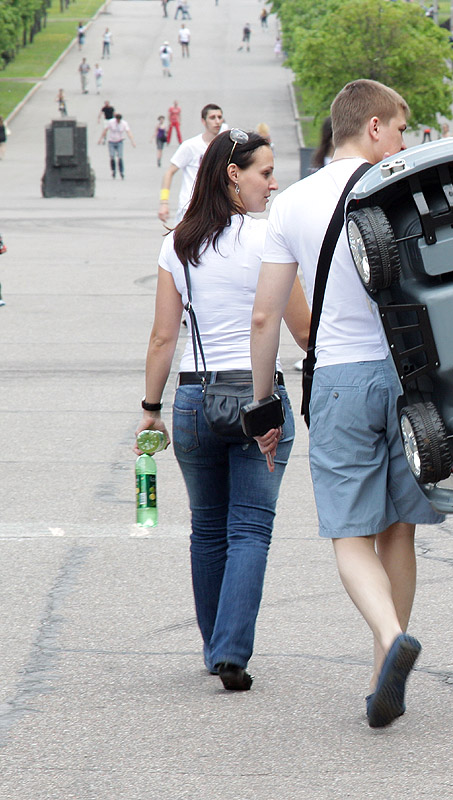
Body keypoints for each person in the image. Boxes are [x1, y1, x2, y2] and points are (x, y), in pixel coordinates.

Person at [248, 79, 444, 729]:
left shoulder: (291, 205)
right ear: (375, 127)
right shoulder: (405, 192)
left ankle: (389, 641)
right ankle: (382, 664)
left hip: (339, 378)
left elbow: (265, 317)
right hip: (411, 375)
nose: (406, 140)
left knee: (349, 531)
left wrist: (263, 405)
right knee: (400, 527)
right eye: (403, 126)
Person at [137, 127, 304, 692]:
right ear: (234, 174)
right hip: (258, 398)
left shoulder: (178, 243)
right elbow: (303, 329)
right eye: (264, 172)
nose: (273, 183)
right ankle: (232, 652)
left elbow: (163, 338)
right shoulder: (270, 240)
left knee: (206, 529)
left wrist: (150, 408)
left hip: (193, 397)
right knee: (251, 529)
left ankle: (215, 650)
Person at [159, 103, 225, 224]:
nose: (217, 121)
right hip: (190, 209)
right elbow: (169, 172)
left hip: (214, 209)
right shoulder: (191, 146)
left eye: (219, 117)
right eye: (212, 117)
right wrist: (164, 202)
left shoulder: (225, 146)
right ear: (203, 121)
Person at [98, 112, 135, 179]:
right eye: (117, 120)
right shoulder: (111, 122)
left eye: (119, 120)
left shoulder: (124, 123)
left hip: (119, 142)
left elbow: (128, 132)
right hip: (111, 141)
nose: (118, 121)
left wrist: (132, 141)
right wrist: (101, 139)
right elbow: (105, 130)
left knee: (120, 157)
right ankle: (113, 170)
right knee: (112, 156)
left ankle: (121, 172)